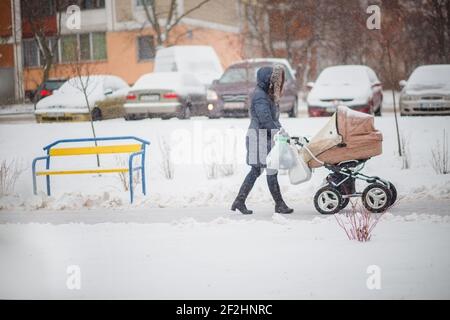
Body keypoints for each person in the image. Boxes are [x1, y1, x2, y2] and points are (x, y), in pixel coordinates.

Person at [231, 65, 294, 215]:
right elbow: (264, 118)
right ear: (267, 80)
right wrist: (277, 133)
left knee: (259, 170)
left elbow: (273, 119)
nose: (276, 82)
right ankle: (278, 204)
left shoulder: (266, 94)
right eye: (273, 79)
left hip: (263, 137)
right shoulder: (260, 95)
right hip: (258, 137)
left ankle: (240, 201)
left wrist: (281, 132)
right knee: (264, 169)